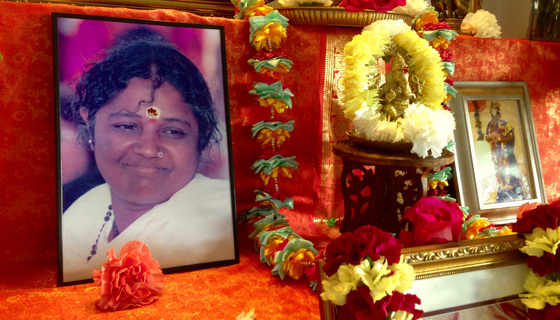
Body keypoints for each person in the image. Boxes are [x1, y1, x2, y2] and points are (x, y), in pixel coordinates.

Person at [62, 27, 236, 283]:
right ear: (90, 123)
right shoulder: (82, 212)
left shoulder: (219, 224)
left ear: (203, 136)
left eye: (173, 131)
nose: (148, 148)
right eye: (127, 126)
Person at [484, 101, 528, 202]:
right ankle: (503, 196)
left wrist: (500, 139)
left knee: (511, 174)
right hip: (497, 156)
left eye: (496, 111)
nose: (494, 114)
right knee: (500, 174)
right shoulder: (490, 125)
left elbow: (511, 136)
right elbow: (486, 137)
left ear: (498, 112)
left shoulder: (504, 124)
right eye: (492, 111)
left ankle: (518, 195)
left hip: (507, 155)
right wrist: (490, 138)